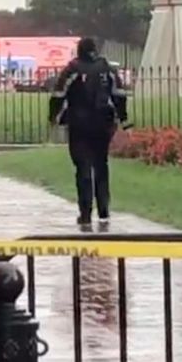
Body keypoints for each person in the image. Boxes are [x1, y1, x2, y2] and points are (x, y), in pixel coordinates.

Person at [48, 38, 129, 231]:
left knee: (83, 168)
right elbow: (119, 95)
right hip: (103, 123)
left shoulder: (72, 69)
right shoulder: (106, 68)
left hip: (79, 124)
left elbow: (58, 95)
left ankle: (85, 214)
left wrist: (53, 118)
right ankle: (104, 211)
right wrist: (124, 120)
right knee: (101, 165)